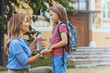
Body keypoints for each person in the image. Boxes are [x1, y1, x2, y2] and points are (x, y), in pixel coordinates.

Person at [49, 4, 69, 73]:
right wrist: (50, 45)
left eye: (52, 15)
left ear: (58, 14)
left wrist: (53, 46)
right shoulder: (57, 26)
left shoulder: (62, 25)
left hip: (60, 55)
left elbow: (64, 41)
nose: (50, 17)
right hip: (56, 55)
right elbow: (57, 40)